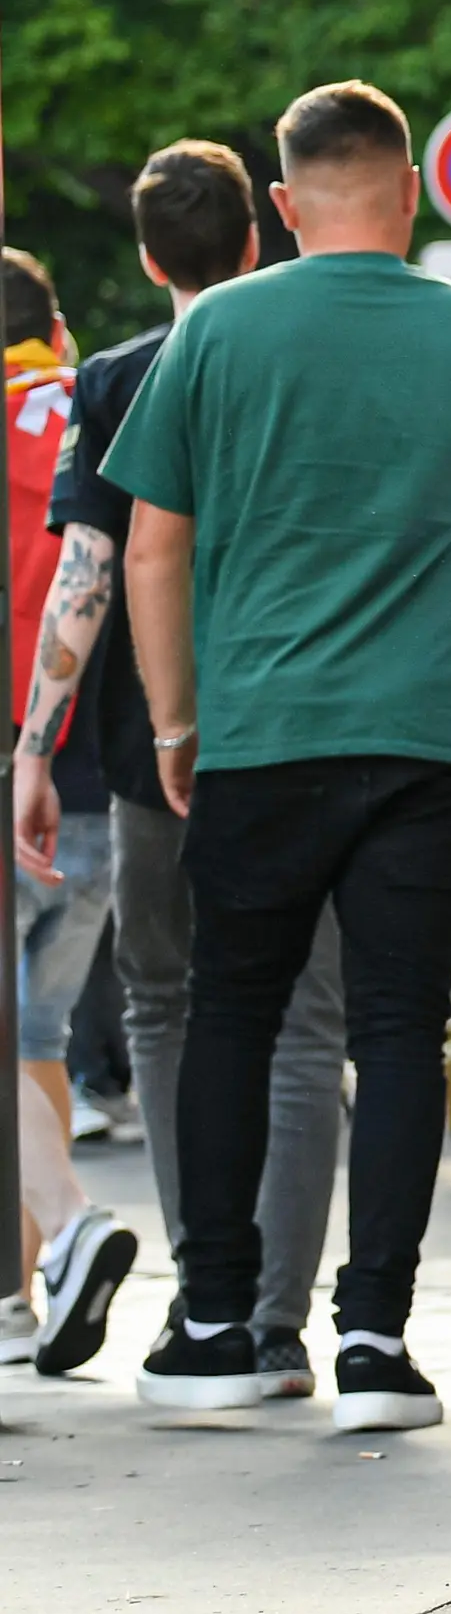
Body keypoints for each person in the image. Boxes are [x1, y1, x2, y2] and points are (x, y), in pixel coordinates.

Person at [106, 81, 451, 1431]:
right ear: (414, 195)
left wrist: (175, 723)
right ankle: (376, 1338)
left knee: (232, 1020)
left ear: (281, 202)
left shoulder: (215, 334)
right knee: (393, 1031)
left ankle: (219, 1323)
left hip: (259, 737)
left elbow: (155, 546)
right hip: (426, 745)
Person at [14, 143, 346, 1390]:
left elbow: (84, 584)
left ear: (149, 256)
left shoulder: (111, 382)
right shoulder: (304, 355)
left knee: (164, 1006)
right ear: (258, 236)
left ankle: (204, 1291)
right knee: (307, 1028)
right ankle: (278, 1319)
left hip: (154, 748)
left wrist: (34, 746)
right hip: (306, 725)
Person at [8, 248, 137, 1377]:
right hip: (99, 772)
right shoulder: (105, 398)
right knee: (34, 1033)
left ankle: (69, 1223)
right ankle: (28, 1288)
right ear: (54, 322)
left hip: (17, 761)